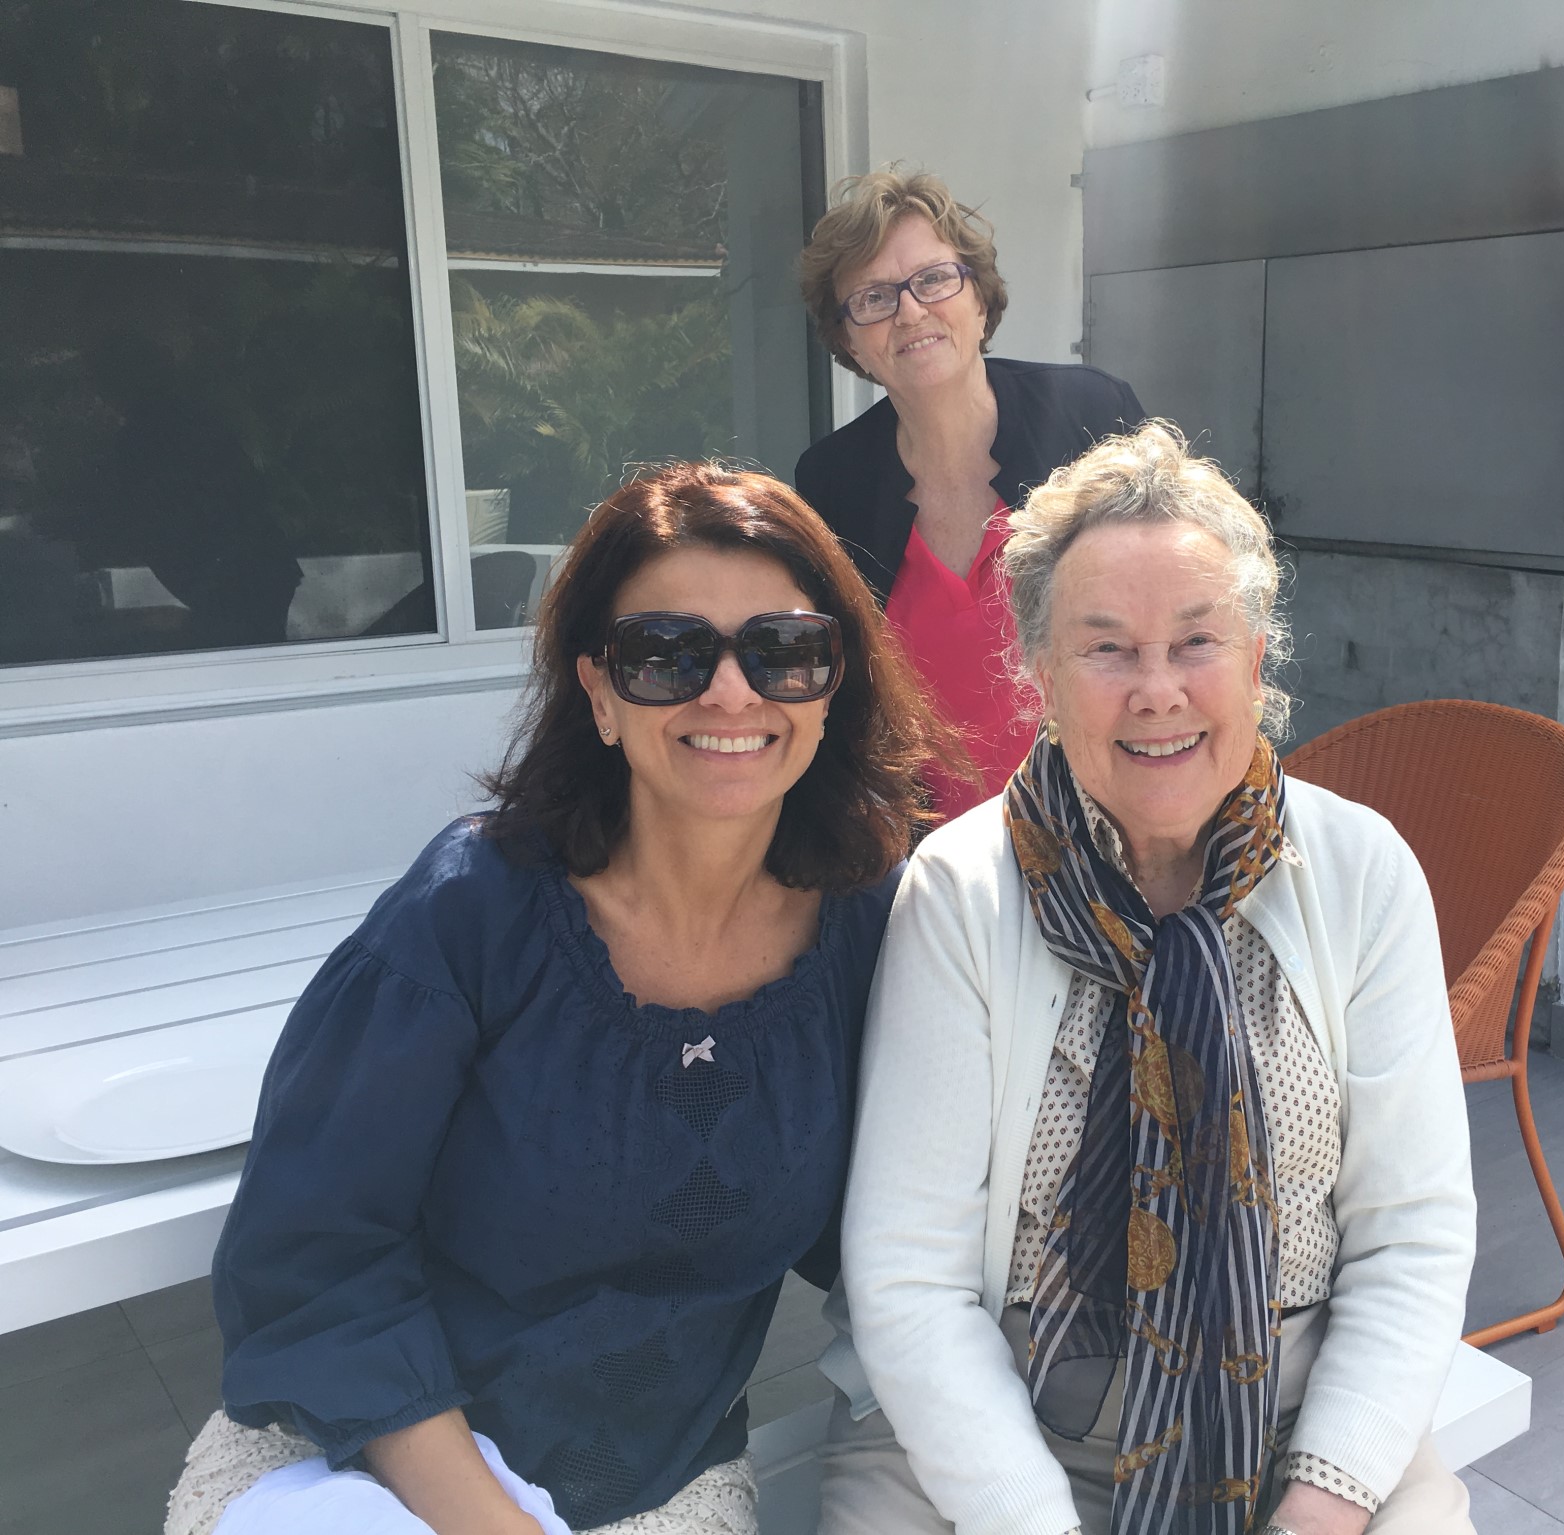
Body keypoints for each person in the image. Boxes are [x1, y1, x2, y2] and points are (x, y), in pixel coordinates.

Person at [164, 462, 947, 1535]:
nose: (731, 692)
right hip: (373, 1457)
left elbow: (900, 1225)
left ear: (832, 684)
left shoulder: (872, 929)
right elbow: (312, 1259)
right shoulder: (468, 913)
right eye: (666, 653)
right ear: (599, 692)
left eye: (783, 648)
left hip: (660, 1481)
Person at [817, 425, 1479, 1535]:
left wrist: (1321, 1501)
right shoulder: (962, 890)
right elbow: (908, 1273)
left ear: (1255, 657)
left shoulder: (1361, 870)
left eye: (1196, 641)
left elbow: (1411, 1232)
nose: (1158, 690)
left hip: (1294, 1411)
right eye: (1108, 648)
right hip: (994, 1418)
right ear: (1040, 675)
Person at [794, 168, 1143, 820]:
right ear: (849, 342)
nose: (910, 311)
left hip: (1104, 828)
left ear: (979, 298)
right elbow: (842, 689)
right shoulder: (831, 479)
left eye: (933, 279)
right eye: (873, 297)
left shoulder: (1092, 415)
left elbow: (1176, 604)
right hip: (924, 850)